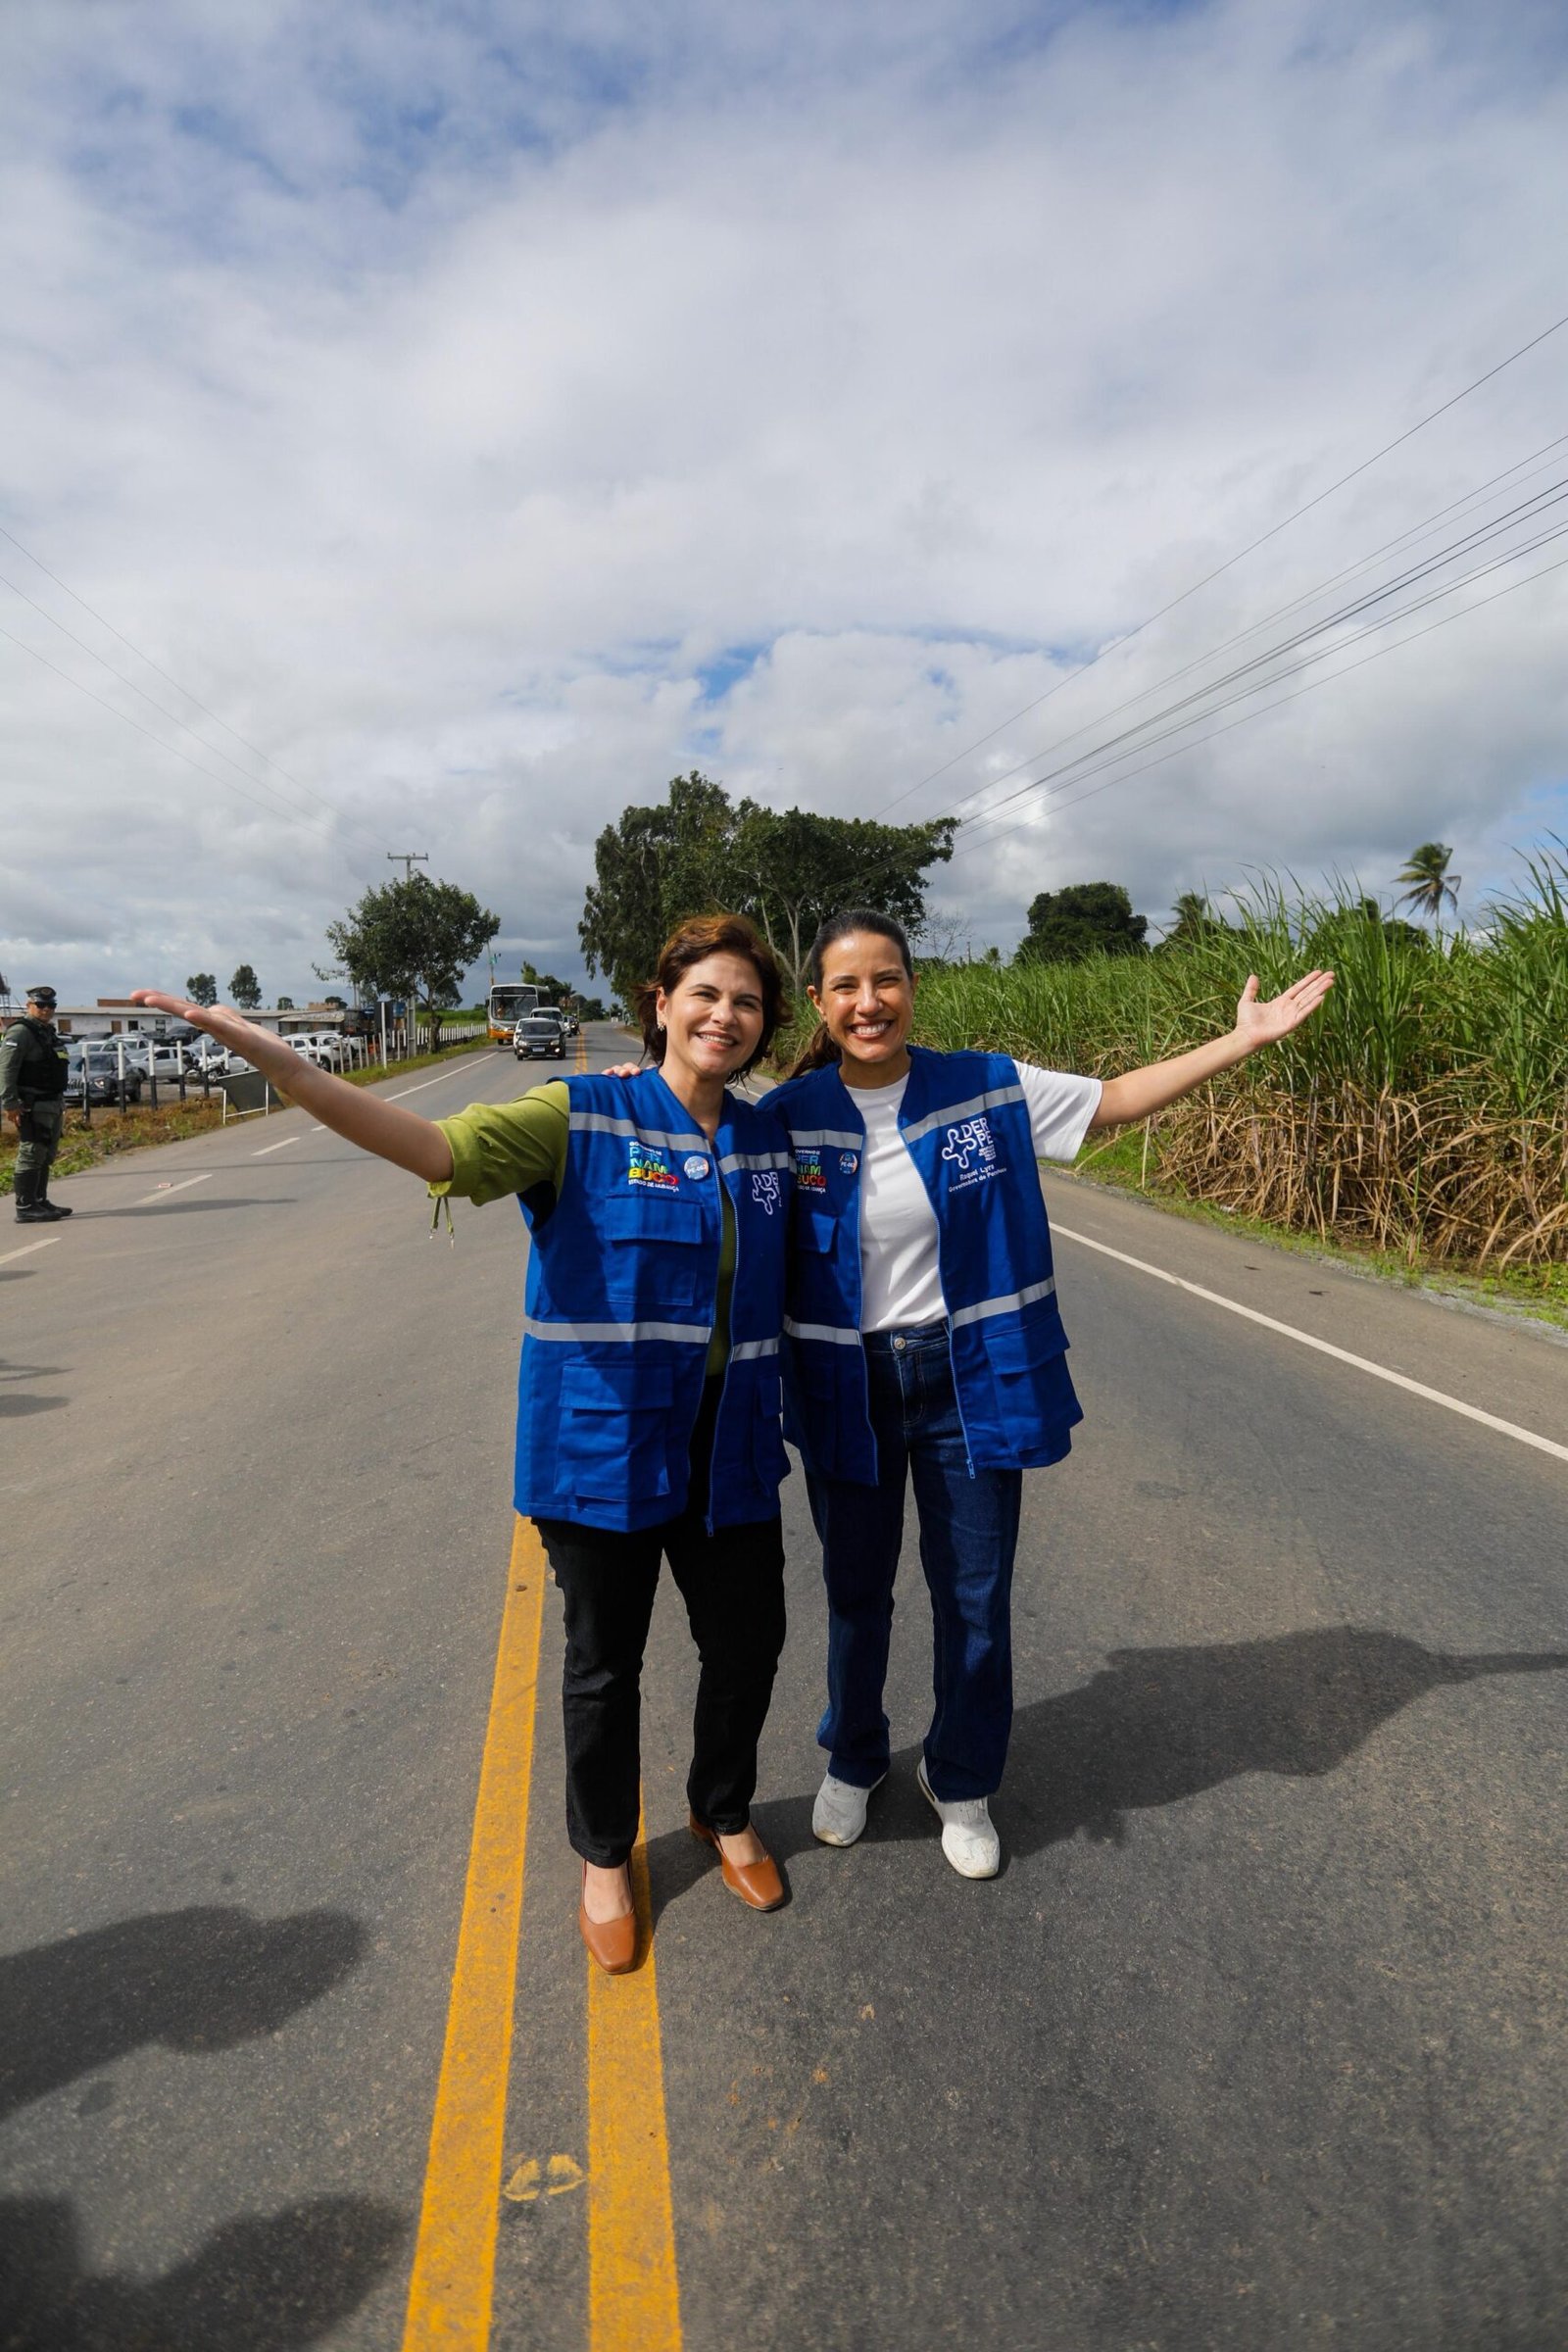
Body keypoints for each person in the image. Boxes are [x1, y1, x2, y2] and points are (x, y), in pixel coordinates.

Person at [132, 911, 797, 1974]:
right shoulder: (574, 1117)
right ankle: (599, 1855)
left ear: (765, 1027)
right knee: (601, 1667)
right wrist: (276, 1061)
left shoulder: (769, 1140)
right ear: (660, 1004)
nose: (727, 1015)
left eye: (749, 1001)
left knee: (749, 1643)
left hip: (732, 1447)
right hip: (605, 1444)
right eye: (706, 993)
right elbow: (432, 1148)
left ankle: (721, 1812)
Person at [769, 909, 1334, 1880]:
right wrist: (622, 1087)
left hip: (966, 1378)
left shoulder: (986, 1086)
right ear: (819, 1001)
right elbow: (684, 1132)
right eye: (848, 987)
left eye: (888, 979)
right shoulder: (784, 1117)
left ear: (912, 988)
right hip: (845, 1388)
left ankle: (960, 1778)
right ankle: (854, 1757)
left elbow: (1111, 1101)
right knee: (856, 1593)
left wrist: (1239, 1043)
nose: (870, 1002)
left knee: (975, 1598)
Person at [2, 986, 74, 1225]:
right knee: (31, 1153)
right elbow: (7, 1069)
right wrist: (10, 1103)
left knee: (46, 1154)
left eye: (50, 1005)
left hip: (51, 1102)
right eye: (40, 1005)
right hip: (31, 1104)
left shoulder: (46, 1032)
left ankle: (39, 1200)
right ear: (28, 1005)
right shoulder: (20, 1032)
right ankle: (25, 1206)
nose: (45, 1010)